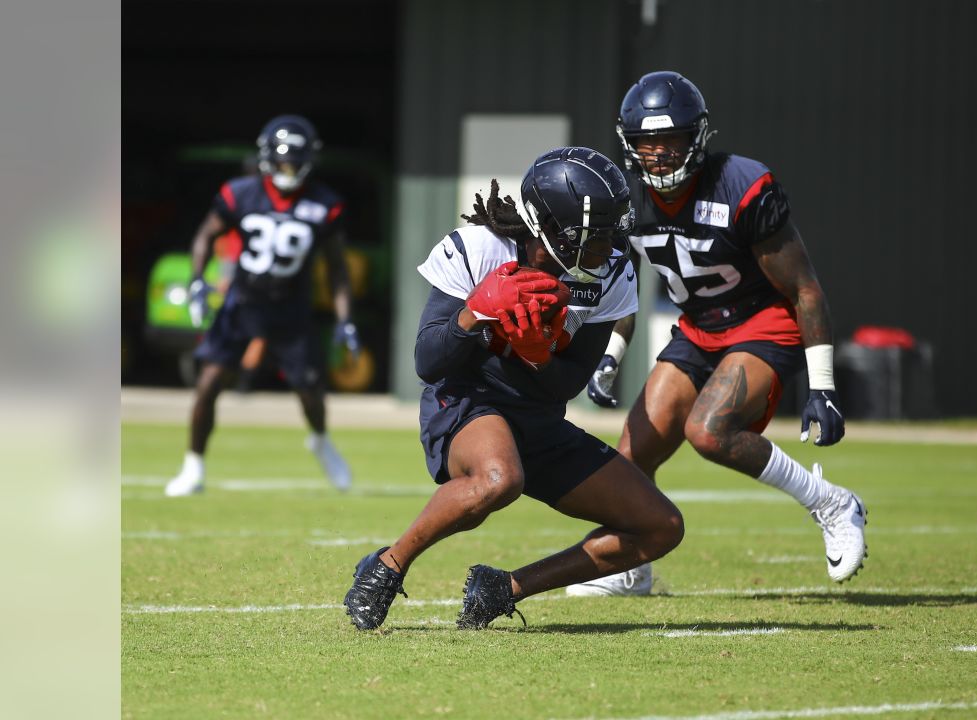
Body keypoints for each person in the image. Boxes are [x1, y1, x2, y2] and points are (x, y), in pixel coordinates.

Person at [342, 147, 684, 631]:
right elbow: (429, 361)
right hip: (468, 400)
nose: (609, 246)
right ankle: (386, 564)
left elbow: (568, 383)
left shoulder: (611, 272)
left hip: (538, 414)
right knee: (499, 478)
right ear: (552, 231)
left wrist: (537, 353)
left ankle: (504, 588)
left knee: (660, 525)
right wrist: (475, 313)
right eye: (597, 232)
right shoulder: (482, 248)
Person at [568, 71, 867, 596]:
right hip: (698, 328)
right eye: (646, 142)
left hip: (761, 322)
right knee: (632, 457)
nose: (658, 154)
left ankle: (831, 501)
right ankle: (634, 565)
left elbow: (805, 289)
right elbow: (624, 287)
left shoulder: (741, 185)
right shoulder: (626, 201)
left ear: (697, 138)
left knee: (708, 432)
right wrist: (612, 355)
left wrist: (823, 386)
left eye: (670, 140)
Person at [163, 115, 361, 496]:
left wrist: (345, 319)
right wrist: (197, 281)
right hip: (242, 302)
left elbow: (337, 269)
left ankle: (320, 440)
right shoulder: (240, 193)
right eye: (282, 162)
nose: (288, 170)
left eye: (294, 163)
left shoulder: (325, 204)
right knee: (208, 382)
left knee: (310, 389)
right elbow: (205, 235)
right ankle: (193, 466)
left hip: (291, 307)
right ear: (268, 159)